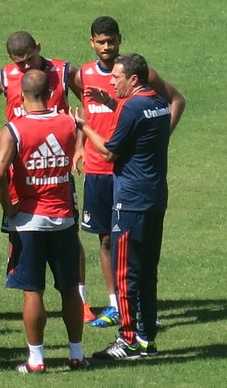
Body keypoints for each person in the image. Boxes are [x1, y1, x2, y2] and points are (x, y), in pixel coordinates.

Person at [73, 16, 186, 328]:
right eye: (101, 41)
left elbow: (175, 100)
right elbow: (107, 109)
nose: (107, 47)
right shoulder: (87, 75)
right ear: (92, 42)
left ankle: (129, 329)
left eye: (111, 41)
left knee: (131, 257)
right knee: (110, 242)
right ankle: (126, 314)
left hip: (128, 178)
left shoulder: (140, 75)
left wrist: (159, 137)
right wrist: (81, 144)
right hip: (106, 173)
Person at [0, 30, 95, 322]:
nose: (26, 67)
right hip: (21, 169)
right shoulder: (4, 77)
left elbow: (88, 104)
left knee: (69, 231)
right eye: (20, 63)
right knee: (21, 231)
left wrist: (80, 146)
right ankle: (31, 295)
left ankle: (79, 300)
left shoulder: (64, 71)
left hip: (54, 167)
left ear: (39, 48)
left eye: (30, 59)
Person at [0, 70, 88, 373]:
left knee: (33, 291)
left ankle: (36, 359)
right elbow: (84, 123)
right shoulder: (67, 123)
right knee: (70, 288)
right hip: (64, 219)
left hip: (28, 223)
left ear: (20, 96)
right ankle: (76, 354)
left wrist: (8, 207)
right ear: (50, 93)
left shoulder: (14, 129)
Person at [77, 53, 172, 359]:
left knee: (125, 273)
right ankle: (146, 338)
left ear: (133, 79)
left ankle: (128, 340)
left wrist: (84, 126)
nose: (112, 81)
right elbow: (137, 125)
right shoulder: (158, 102)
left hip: (130, 200)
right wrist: (111, 103)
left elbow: (108, 153)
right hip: (155, 197)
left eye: (116, 78)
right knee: (147, 271)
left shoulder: (132, 106)